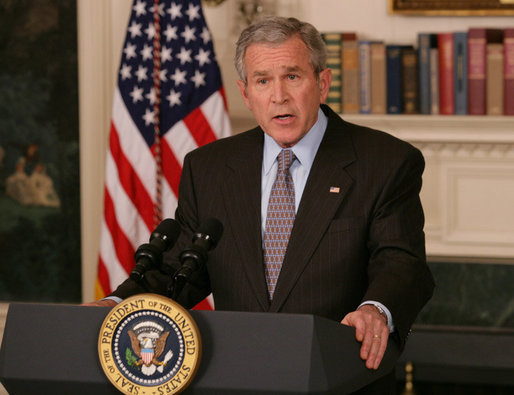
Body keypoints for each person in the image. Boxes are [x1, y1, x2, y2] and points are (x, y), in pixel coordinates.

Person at [91, 17, 434, 393]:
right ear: (246, 93)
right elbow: (181, 269)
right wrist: (116, 304)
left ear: (322, 83)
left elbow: (401, 262)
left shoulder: (384, 161)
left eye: (292, 77)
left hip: (339, 379)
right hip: (237, 378)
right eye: (263, 80)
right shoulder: (209, 168)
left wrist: (376, 309)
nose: (278, 96)